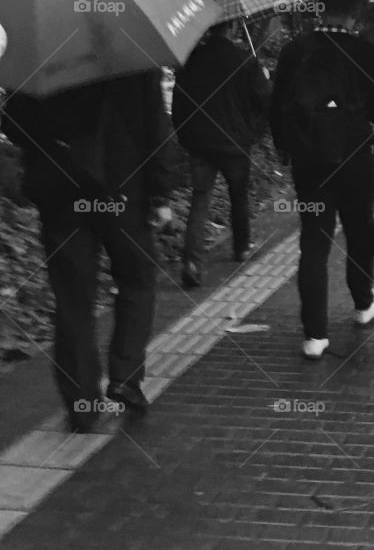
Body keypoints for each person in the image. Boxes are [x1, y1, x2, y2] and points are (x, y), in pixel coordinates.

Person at [1, 72, 177, 431]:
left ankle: (82, 405)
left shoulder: (44, 52)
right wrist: (161, 193)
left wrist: (54, 143)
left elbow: (13, 120)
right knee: (138, 277)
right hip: (123, 190)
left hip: (61, 193)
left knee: (72, 298)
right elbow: (156, 126)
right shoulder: (133, 56)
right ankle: (125, 376)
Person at [270, 0, 374, 360]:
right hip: (354, 160)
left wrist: (287, 150)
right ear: (354, 11)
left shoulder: (295, 51)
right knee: (359, 232)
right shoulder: (365, 52)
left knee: (314, 242)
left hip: (311, 163)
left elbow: (276, 108)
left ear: (319, 7)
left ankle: (314, 335)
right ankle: (362, 301)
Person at [172, 22, 271, 288]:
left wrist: (186, 136)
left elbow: (179, 102)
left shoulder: (192, 59)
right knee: (238, 193)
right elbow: (264, 100)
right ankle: (241, 246)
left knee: (200, 199)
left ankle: (191, 261)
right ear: (233, 29)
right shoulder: (243, 59)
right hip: (235, 141)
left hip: (200, 142)